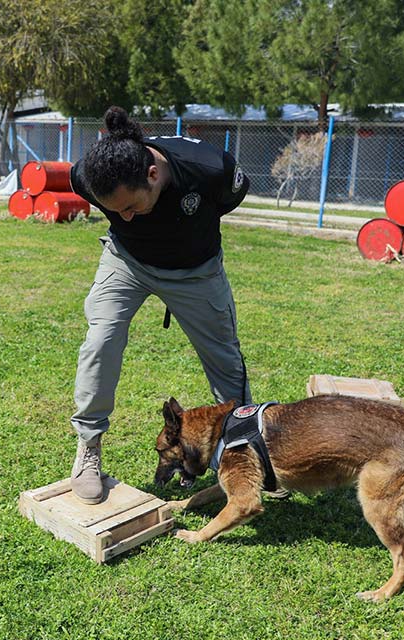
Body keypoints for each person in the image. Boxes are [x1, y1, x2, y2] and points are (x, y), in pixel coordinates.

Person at [67, 106, 251, 504]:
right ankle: (88, 447)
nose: (127, 217)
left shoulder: (209, 168)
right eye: (115, 212)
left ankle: (245, 453)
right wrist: (126, 219)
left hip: (195, 272)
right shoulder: (88, 174)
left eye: (132, 206)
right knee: (101, 340)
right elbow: (116, 208)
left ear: (153, 174)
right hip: (127, 263)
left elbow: (229, 199)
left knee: (225, 362)